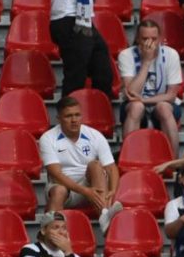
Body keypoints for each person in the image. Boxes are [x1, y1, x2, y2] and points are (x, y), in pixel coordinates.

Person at [40, 97, 122, 230]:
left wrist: (112, 190)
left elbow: (111, 167)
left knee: (95, 165)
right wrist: (85, 191)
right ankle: (53, 237)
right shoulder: (48, 138)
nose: (74, 120)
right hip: (64, 188)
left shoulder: (94, 135)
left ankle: (105, 214)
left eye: (77, 115)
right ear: (58, 118)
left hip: (91, 187)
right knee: (58, 190)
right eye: (68, 116)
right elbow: (55, 174)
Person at [119, 19, 184, 158]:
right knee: (137, 107)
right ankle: (129, 159)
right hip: (133, 106)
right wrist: (146, 62)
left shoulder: (171, 54)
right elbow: (131, 93)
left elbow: (171, 95)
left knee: (163, 107)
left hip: (163, 104)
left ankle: (173, 162)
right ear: (137, 38)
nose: (150, 43)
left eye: (154, 39)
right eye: (145, 38)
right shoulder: (126, 55)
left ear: (160, 38)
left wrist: (144, 100)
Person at [48, 0, 113, 97]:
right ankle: (67, 113)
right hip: (66, 18)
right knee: (76, 76)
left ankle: (100, 108)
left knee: (102, 69)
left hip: (84, 18)